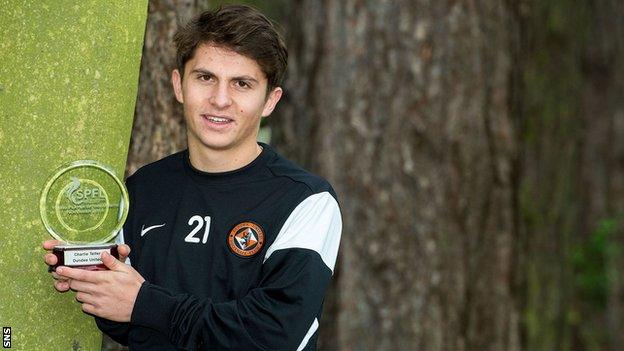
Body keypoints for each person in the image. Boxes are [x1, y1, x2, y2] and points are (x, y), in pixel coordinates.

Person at [43, 5, 342, 350]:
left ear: (270, 101)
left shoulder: (306, 201)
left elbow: (274, 335)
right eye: (205, 78)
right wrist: (93, 280)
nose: (219, 100)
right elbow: (129, 323)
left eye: (242, 84)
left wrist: (146, 304)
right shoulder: (145, 188)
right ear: (179, 85)